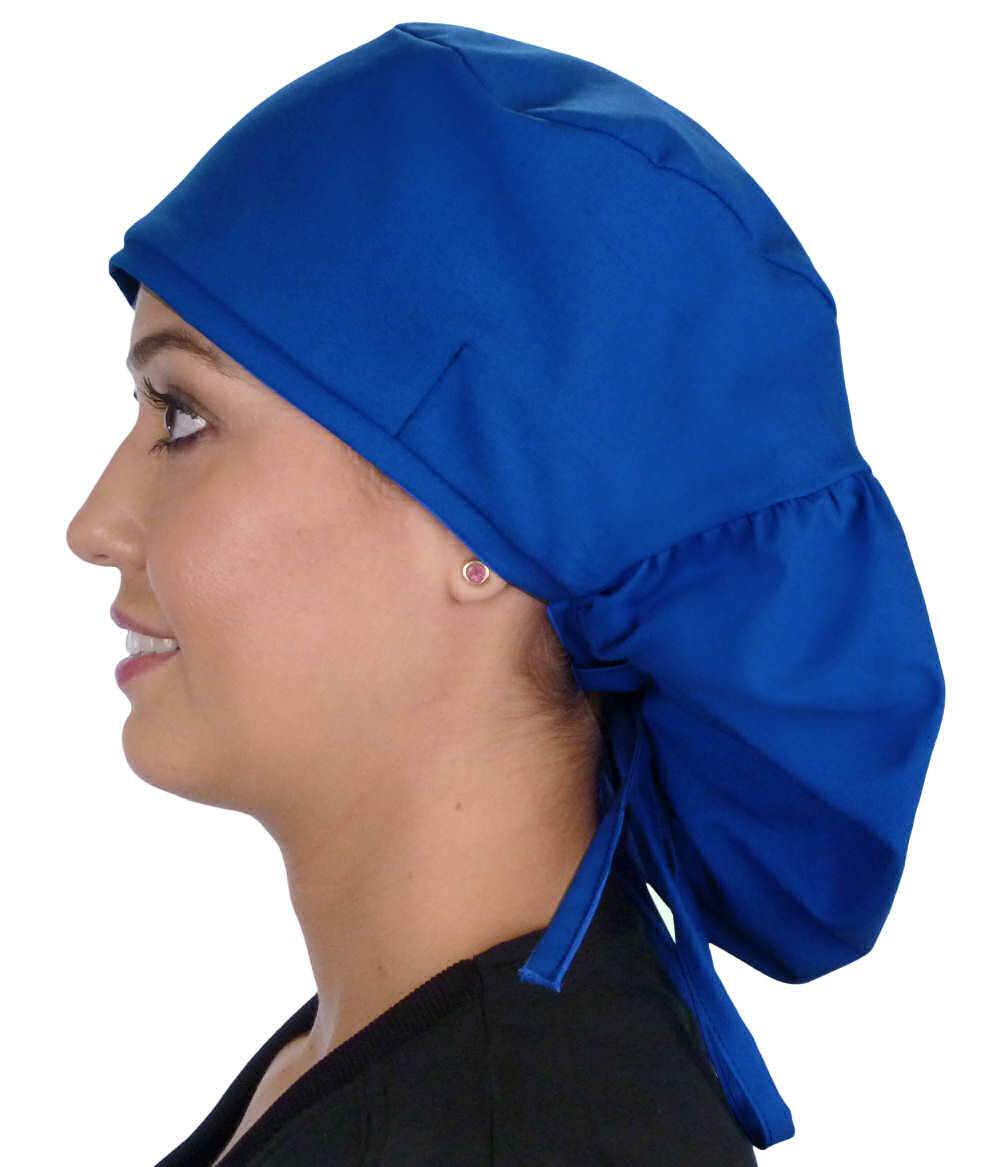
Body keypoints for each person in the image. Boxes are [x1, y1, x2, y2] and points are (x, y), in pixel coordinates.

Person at [67, 20, 945, 1165]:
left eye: (182, 416)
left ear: (488, 533)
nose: (94, 525)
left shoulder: (515, 1133)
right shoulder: (392, 1064)